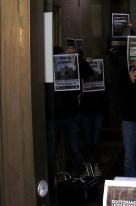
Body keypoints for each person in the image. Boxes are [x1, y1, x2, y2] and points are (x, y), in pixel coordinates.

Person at [47, 46, 94, 187]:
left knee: (75, 150)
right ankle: (51, 181)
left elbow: (88, 73)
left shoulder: (73, 65)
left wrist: (77, 58)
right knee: (51, 153)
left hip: (70, 115)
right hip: (55, 117)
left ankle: (78, 179)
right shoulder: (48, 70)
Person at [78, 54, 109, 177]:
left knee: (95, 140)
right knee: (87, 140)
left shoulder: (102, 80)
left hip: (97, 112)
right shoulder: (82, 77)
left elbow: (105, 96)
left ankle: (95, 166)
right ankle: (87, 167)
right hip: (85, 111)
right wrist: (84, 63)